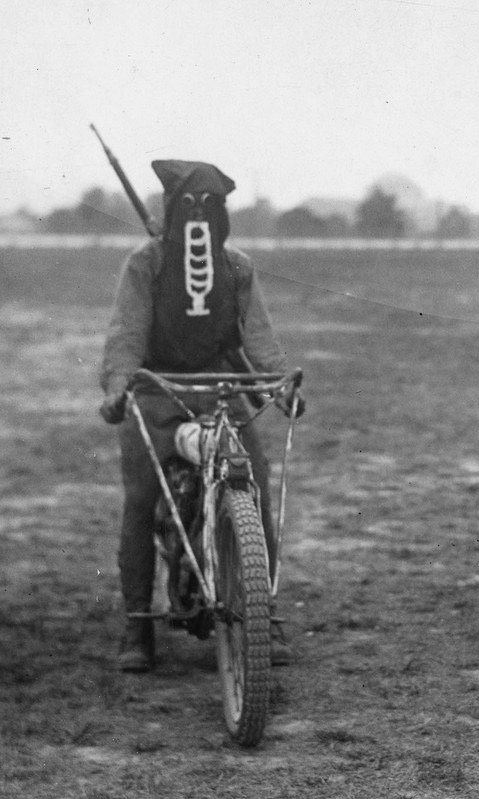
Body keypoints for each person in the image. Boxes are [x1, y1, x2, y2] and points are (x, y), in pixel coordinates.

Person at [99, 159, 303, 672]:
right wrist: (120, 386)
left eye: (209, 205)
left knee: (252, 485)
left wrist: (280, 386)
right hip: (157, 389)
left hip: (222, 389)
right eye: (187, 205)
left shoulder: (236, 267)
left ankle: (264, 613)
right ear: (170, 209)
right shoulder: (145, 264)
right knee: (142, 501)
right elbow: (126, 334)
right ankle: (138, 624)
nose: (198, 215)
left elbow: (258, 335)